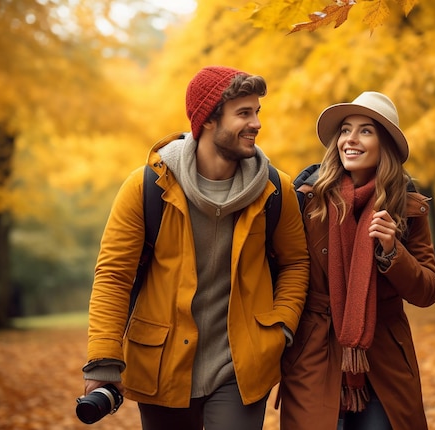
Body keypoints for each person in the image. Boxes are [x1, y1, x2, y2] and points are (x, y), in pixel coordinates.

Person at [82, 66, 310, 430]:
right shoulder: (146, 188)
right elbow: (113, 276)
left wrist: (279, 328)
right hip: (163, 364)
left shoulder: (275, 189)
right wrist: (104, 360)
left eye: (257, 112)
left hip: (240, 366)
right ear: (207, 121)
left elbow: (296, 263)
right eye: (244, 113)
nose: (256, 124)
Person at [279, 91, 435, 430]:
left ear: (386, 145)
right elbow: (284, 270)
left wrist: (391, 251)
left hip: (383, 358)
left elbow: (428, 291)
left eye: (365, 131)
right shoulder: (307, 200)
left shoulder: (407, 208)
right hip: (315, 353)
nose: (350, 140)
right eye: (345, 130)